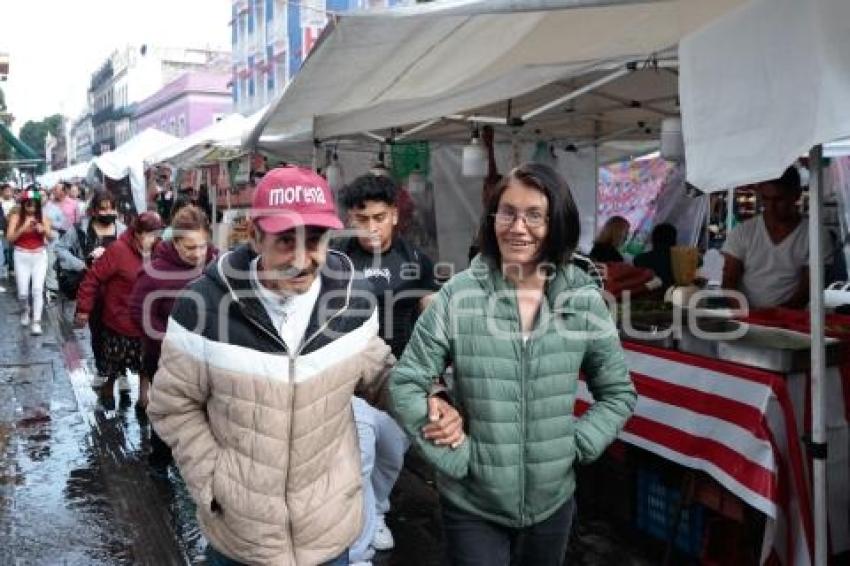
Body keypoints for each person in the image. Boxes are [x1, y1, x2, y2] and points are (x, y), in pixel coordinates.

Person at [146, 166, 461, 566]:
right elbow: (172, 404)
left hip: (328, 534)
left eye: (313, 241)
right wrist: (213, 483)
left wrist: (433, 398)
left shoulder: (350, 298)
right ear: (256, 235)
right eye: (285, 241)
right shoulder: (203, 305)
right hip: (241, 540)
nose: (301, 259)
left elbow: (380, 374)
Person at [390, 162, 637, 566]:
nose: (517, 227)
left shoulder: (584, 300)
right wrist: (457, 457)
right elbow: (406, 382)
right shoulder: (460, 294)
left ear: (556, 222)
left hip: (553, 504)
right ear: (492, 219)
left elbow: (617, 393)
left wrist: (576, 445)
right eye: (507, 212)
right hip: (473, 503)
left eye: (534, 215)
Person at [337, 175, 442, 565]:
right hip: (350, 377)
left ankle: (377, 508)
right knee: (360, 455)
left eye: (378, 217)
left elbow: (432, 314)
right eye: (361, 218)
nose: (370, 227)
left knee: (393, 451)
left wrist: (435, 370)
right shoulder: (337, 262)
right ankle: (360, 534)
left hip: (401, 375)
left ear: (394, 215)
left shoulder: (415, 261)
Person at [129, 205, 217, 469]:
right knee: (171, 413)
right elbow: (138, 312)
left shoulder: (218, 264)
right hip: (166, 360)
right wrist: (170, 341)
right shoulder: (154, 272)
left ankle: (199, 464)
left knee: (207, 414)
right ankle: (159, 461)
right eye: (190, 248)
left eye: (203, 246)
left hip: (210, 358)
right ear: (175, 242)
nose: (199, 254)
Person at [73, 212, 163, 409]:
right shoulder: (118, 250)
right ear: (137, 233)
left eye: (156, 234)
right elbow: (93, 278)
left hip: (145, 320)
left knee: (145, 362)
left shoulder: (160, 251)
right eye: (149, 234)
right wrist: (84, 309)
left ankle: (143, 399)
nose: (153, 239)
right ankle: (109, 386)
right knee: (116, 362)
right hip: (119, 318)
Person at [57, 190, 130, 393]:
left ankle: (121, 372)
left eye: (111, 208)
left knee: (119, 331)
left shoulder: (123, 231)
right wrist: (81, 264)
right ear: (94, 210)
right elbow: (60, 248)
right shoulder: (80, 230)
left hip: (118, 292)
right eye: (103, 208)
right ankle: (102, 369)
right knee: (97, 331)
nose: (108, 212)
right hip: (93, 290)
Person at [722, 166, 812, 309]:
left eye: (778, 199)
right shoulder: (742, 232)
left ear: (796, 195)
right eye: (766, 198)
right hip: (746, 318)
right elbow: (729, 281)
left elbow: (808, 289)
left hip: (791, 319)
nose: (771, 206)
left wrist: (777, 317)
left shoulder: (814, 235)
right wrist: (747, 313)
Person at [6, 188, 52, 335]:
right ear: (23, 204)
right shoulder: (15, 217)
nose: (31, 208)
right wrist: (23, 228)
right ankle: (25, 311)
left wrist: (43, 230)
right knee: (23, 293)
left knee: (38, 290)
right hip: (21, 256)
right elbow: (9, 239)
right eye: (28, 204)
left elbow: (51, 238)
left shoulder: (43, 216)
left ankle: (36, 322)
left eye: (34, 205)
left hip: (39, 256)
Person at [633, 223, 677, 290]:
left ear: (653, 240)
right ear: (674, 240)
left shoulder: (639, 259)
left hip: (647, 297)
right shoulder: (681, 261)